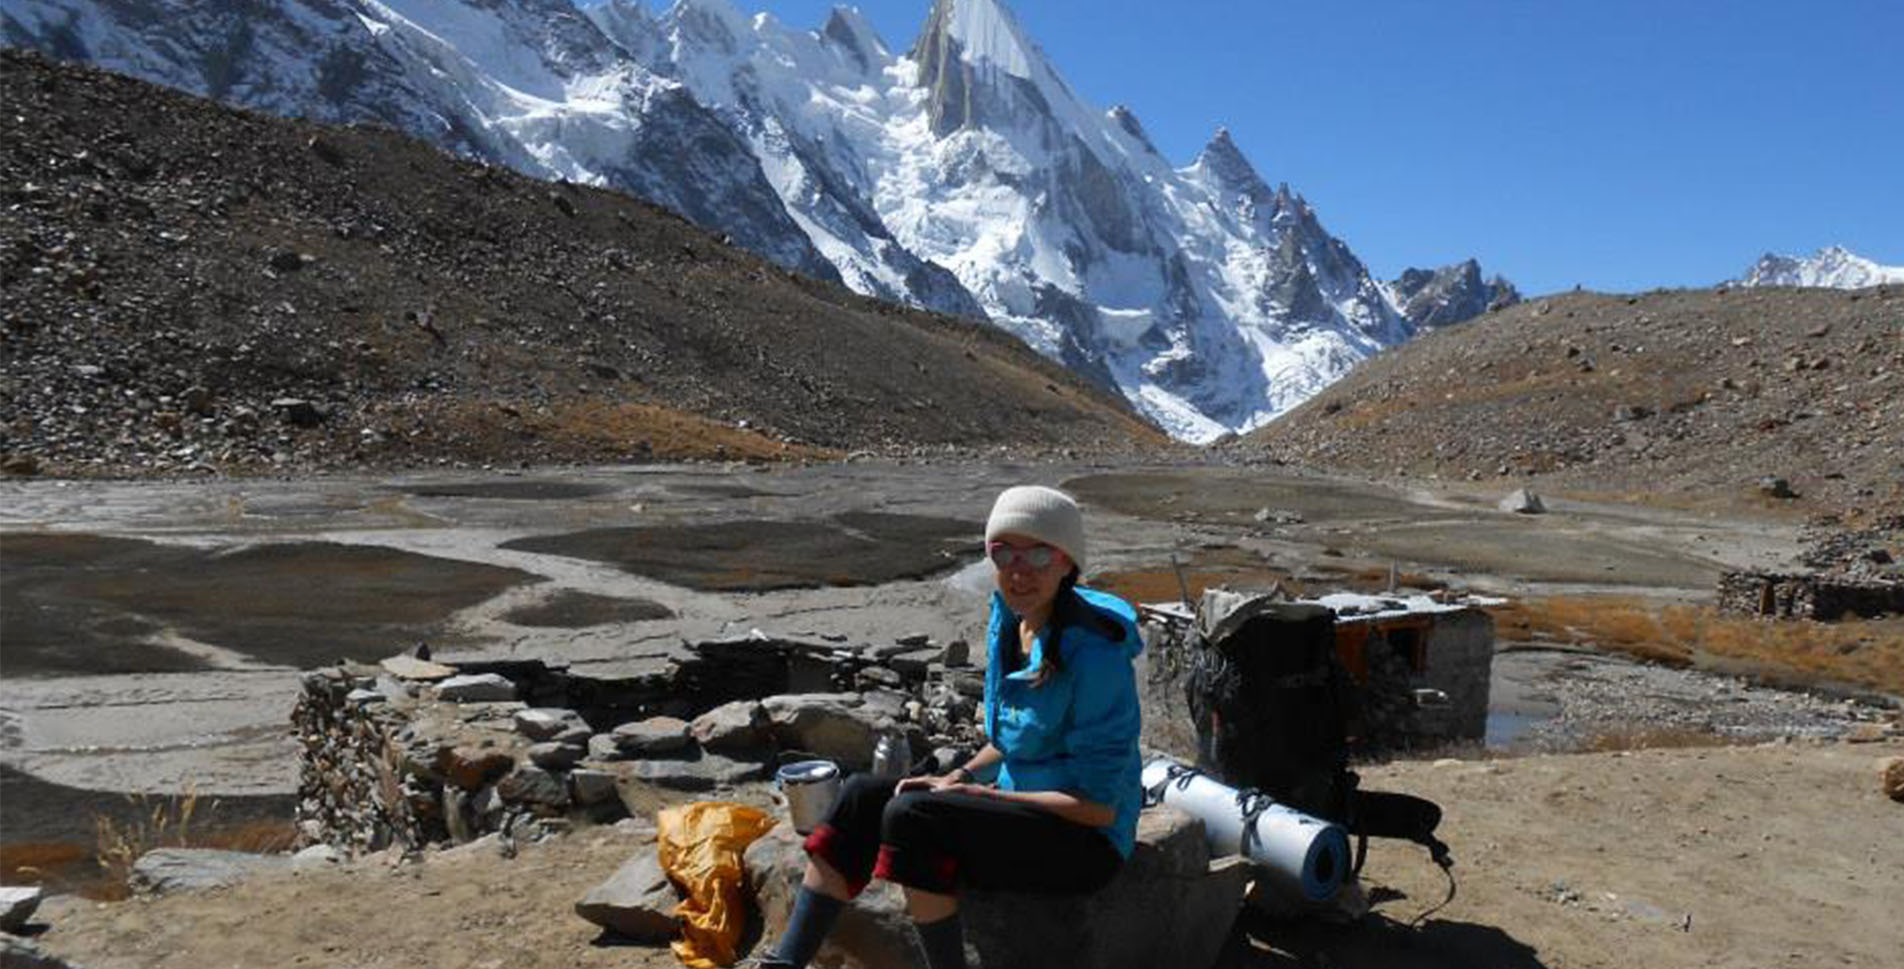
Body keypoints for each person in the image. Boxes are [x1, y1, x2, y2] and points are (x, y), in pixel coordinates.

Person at [751, 485, 1143, 969]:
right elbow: (1011, 738)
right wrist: (960, 778)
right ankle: (787, 961)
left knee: (913, 818)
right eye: (1004, 553)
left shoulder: (1096, 654)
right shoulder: (1011, 618)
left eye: (1040, 554)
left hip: (1085, 843)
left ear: (1067, 562)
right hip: (1026, 807)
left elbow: (1098, 809)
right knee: (861, 795)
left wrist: (988, 798)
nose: (1020, 570)